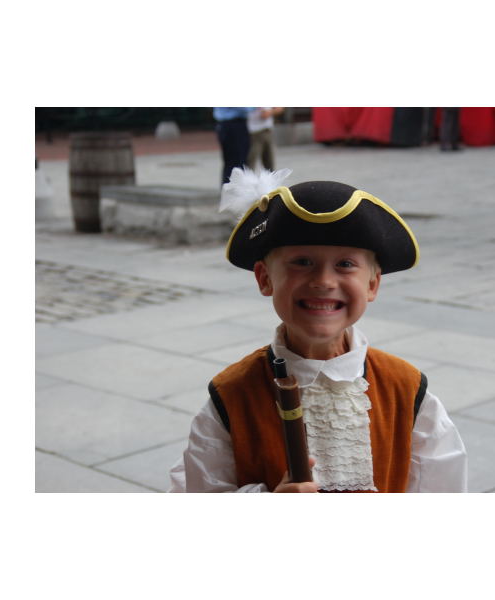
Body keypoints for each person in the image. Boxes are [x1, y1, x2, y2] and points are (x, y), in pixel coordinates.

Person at [168, 169, 468, 492]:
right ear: (265, 278)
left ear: (372, 284)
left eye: (345, 264)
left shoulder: (407, 390)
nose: (324, 281)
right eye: (302, 262)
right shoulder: (232, 396)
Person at [213, 107, 253, 185]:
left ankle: (230, 187)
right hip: (233, 126)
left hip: (230, 125)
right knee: (236, 163)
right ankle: (232, 188)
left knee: (233, 162)